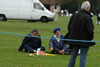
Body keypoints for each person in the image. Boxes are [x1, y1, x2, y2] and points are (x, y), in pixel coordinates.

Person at [65, 1, 95, 67]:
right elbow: (90, 30)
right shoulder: (88, 17)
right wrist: (90, 38)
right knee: (83, 55)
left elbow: (69, 27)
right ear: (87, 8)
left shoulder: (74, 15)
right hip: (84, 40)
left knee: (73, 55)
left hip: (74, 39)